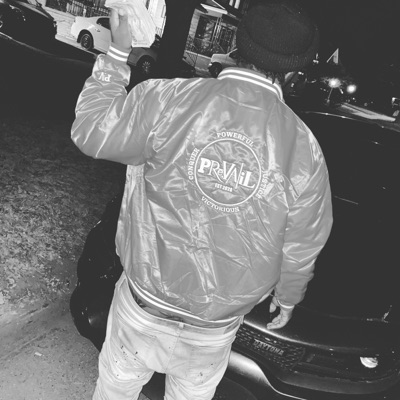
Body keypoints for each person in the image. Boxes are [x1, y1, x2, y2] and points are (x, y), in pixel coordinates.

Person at [71, 1, 333, 399]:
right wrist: (287, 298)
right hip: (213, 330)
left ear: (236, 45)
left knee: (116, 390)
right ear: (294, 73)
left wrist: (117, 54)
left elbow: (92, 131)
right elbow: (303, 243)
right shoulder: (305, 149)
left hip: (143, 306)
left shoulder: (168, 99)